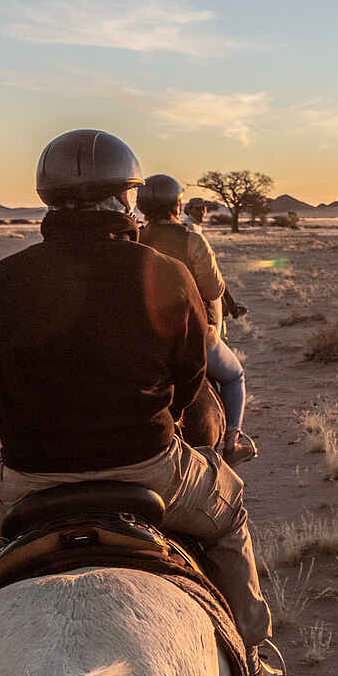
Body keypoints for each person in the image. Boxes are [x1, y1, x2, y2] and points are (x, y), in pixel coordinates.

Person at [0, 129, 284, 676]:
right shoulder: (166, 273)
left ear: (48, 201)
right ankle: (259, 655)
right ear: (127, 199)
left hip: (28, 478)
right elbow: (189, 389)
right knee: (229, 514)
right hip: (153, 469)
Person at [137, 174, 254, 464]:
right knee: (234, 375)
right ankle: (232, 442)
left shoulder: (134, 238)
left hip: (142, 334)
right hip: (193, 335)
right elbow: (214, 289)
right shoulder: (193, 241)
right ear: (178, 206)